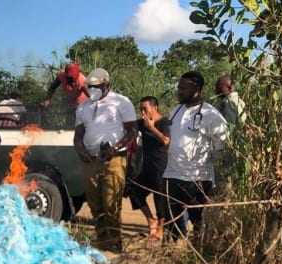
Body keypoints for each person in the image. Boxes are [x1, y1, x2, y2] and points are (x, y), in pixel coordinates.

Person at [73, 68, 137, 252]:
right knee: (95, 204)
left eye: (96, 86)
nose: (92, 89)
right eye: (89, 86)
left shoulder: (121, 102)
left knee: (111, 204)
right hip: (90, 161)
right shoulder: (83, 107)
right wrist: (80, 150)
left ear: (106, 85)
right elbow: (78, 135)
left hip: (114, 160)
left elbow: (132, 130)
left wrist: (115, 148)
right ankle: (102, 239)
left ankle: (115, 243)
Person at [162, 71, 229, 239]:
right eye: (178, 87)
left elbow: (223, 141)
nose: (179, 91)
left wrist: (214, 160)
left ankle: (198, 253)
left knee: (198, 221)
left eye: (183, 88)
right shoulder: (175, 110)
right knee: (172, 222)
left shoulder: (210, 114)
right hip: (172, 175)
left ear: (196, 89)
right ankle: (170, 252)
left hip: (198, 178)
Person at [127, 96, 170, 240]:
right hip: (146, 166)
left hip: (161, 166)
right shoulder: (142, 123)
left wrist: (152, 128)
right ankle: (151, 220)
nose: (142, 112)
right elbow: (127, 126)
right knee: (134, 190)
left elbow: (165, 141)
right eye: (140, 109)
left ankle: (161, 229)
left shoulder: (164, 122)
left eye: (145, 109)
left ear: (154, 108)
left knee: (159, 197)